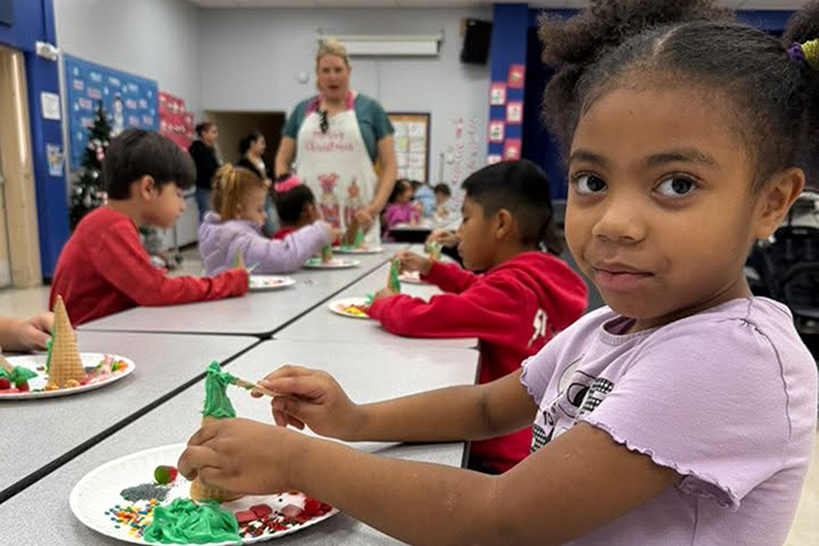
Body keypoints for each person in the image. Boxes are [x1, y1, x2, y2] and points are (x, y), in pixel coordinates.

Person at [178, 2, 819, 544]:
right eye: (592, 181)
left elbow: (503, 517)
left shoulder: (732, 357)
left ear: (770, 201)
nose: (614, 222)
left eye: (677, 184)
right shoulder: (608, 330)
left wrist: (299, 462)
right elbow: (489, 406)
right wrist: (355, 420)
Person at [369, 160, 588, 472]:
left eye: (467, 218)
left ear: (500, 224)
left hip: (498, 455)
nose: (459, 232)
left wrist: (385, 303)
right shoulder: (540, 276)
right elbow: (482, 289)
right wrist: (433, 269)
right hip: (533, 440)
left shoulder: (510, 292)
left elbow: (425, 317)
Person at [51, 129, 248, 325]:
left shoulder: (109, 222)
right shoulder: (109, 227)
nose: (182, 206)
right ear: (148, 188)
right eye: (178, 194)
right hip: (87, 345)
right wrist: (228, 282)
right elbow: (157, 291)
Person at [274, 39, 397, 249]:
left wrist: (374, 208)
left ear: (348, 71)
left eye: (338, 70)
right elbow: (282, 161)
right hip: (308, 224)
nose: (332, 77)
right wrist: (289, 198)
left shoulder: (370, 109)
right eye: (326, 70)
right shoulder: (301, 110)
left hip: (359, 221)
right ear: (318, 75)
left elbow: (390, 166)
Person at [199, 165, 334, 276]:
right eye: (259, 209)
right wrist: (320, 232)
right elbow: (283, 256)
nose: (265, 215)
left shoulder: (222, 236)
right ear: (239, 211)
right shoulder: (238, 241)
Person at [271, 174, 358, 244]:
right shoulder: (314, 236)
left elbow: (345, 245)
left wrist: (355, 223)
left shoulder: (278, 238)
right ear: (308, 210)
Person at [189, 122, 221, 221]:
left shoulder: (211, 149)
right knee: (207, 215)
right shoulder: (199, 150)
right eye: (213, 132)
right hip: (204, 188)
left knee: (213, 215)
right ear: (204, 134)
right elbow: (209, 169)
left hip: (212, 187)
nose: (216, 135)